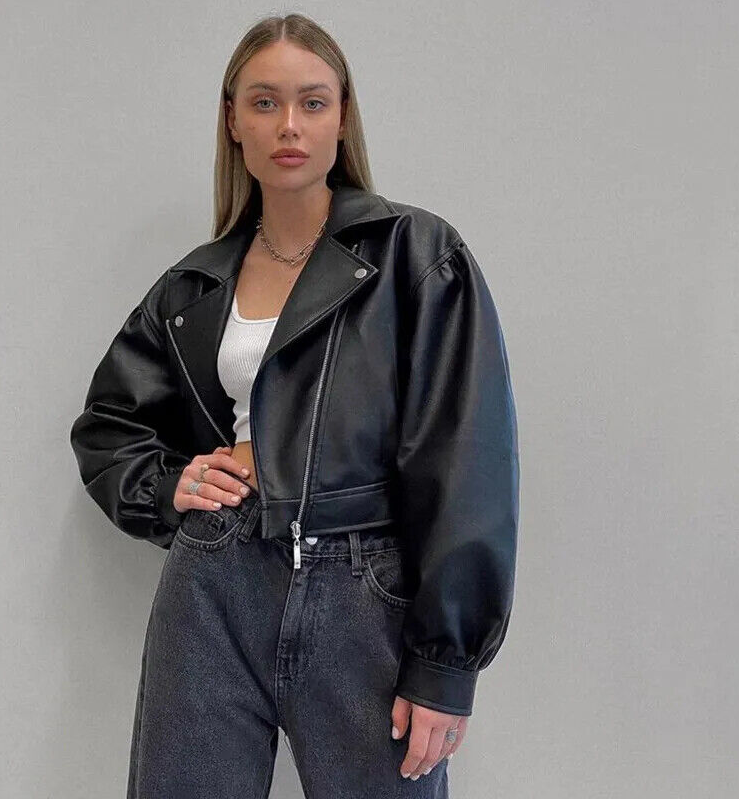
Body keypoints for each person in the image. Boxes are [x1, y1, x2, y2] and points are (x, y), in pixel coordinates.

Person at [69, 13, 519, 799]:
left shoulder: (416, 256)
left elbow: (465, 462)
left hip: (362, 588)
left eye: (312, 102)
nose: (289, 125)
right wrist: (169, 485)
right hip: (212, 583)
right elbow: (110, 425)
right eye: (264, 102)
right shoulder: (195, 285)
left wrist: (445, 665)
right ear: (233, 120)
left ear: (342, 118)